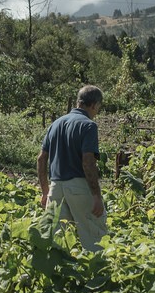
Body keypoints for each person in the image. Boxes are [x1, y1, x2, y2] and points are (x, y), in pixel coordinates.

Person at [37, 85, 107, 251]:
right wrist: (96, 196)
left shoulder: (55, 124)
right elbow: (88, 162)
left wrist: (45, 192)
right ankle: (98, 275)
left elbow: (41, 159)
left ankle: (59, 274)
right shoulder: (88, 125)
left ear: (78, 102)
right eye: (99, 108)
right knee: (94, 235)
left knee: (57, 240)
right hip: (79, 186)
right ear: (95, 105)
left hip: (56, 188)